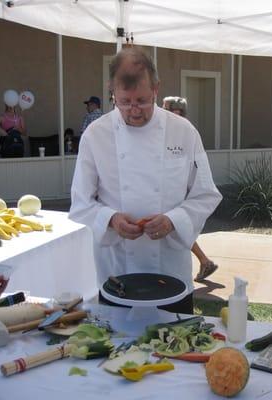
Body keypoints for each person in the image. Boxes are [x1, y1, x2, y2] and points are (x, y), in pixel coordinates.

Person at [69, 47, 222, 314]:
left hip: (170, 268)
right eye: (124, 102)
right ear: (112, 91)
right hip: (117, 271)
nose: (134, 111)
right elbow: (80, 203)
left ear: (156, 89)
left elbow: (205, 194)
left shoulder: (183, 132)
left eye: (141, 101)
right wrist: (111, 219)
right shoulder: (96, 135)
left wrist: (173, 220)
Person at [162, 95, 219, 282]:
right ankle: (205, 261)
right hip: (175, 192)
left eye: (164, 108)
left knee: (178, 227)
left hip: (181, 192)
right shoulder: (166, 129)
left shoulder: (184, 131)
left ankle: (204, 261)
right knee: (179, 228)